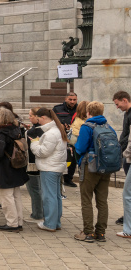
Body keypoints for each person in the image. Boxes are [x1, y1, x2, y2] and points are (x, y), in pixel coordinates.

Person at [74, 101, 119, 242]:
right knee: (102, 202)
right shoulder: (108, 126)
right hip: (105, 167)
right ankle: (101, 233)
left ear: (88, 112)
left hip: (90, 167)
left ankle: (88, 233)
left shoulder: (87, 126)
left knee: (86, 199)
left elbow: (80, 148)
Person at [0, 108, 29, 232]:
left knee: (6, 197)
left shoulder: (1, 133)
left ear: (1, 118)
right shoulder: (16, 129)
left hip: (5, 168)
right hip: (16, 166)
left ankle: (12, 223)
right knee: (16, 196)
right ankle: (18, 221)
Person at [28, 106, 67, 232]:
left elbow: (43, 152)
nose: (38, 122)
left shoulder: (50, 133)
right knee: (55, 196)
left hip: (50, 167)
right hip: (56, 167)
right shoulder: (58, 130)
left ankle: (50, 223)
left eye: (38, 119)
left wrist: (34, 143)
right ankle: (56, 222)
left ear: (43, 118)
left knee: (49, 196)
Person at [113, 91, 131, 226]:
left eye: (117, 104)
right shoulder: (127, 114)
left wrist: (125, 153)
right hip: (126, 154)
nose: (117, 107)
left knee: (128, 191)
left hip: (128, 155)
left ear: (124, 100)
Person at [54, 92, 79, 187]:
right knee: (62, 157)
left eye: (74, 100)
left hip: (74, 137)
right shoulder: (57, 108)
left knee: (73, 159)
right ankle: (60, 177)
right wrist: (62, 125)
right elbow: (53, 120)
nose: (72, 102)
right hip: (61, 136)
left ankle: (69, 179)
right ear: (66, 99)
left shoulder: (79, 109)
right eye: (70, 99)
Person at [24, 108, 45, 225]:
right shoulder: (46, 129)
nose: (29, 117)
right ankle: (43, 213)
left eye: (31, 115)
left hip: (33, 164)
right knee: (41, 190)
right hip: (44, 164)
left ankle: (37, 214)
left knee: (34, 190)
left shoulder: (33, 132)